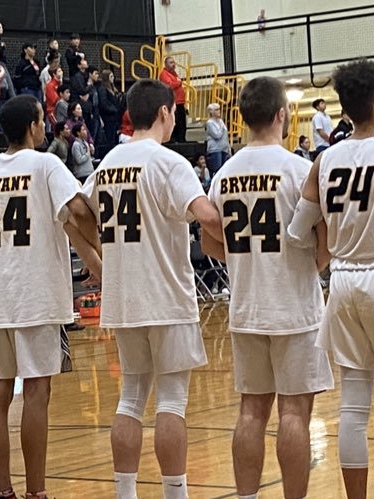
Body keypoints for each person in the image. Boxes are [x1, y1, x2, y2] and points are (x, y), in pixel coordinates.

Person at [0, 96, 101, 499]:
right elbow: (80, 212)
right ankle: (36, 492)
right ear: (33, 126)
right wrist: (100, 239)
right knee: (36, 393)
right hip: (38, 297)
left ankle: (3, 491)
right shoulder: (46, 164)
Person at [82, 80, 223, 499]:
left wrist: (96, 261)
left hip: (124, 299)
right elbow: (206, 218)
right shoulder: (169, 162)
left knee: (130, 398)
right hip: (166, 297)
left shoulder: (106, 163)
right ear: (164, 112)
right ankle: (174, 494)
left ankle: (126, 494)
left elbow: (76, 211)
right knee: (172, 401)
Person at [197, 76, 336, 499]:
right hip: (294, 309)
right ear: (282, 115)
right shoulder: (298, 169)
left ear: (241, 119)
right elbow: (326, 241)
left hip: (246, 309)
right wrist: (306, 266)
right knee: (294, 411)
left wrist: (246, 262)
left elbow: (208, 242)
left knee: (251, 411)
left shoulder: (224, 174)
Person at [205, 104, 228, 175]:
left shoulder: (221, 121)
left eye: (219, 109)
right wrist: (221, 127)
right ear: (212, 112)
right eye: (217, 110)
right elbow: (217, 135)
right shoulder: (209, 123)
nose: (219, 111)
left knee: (224, 170)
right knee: (217, 170)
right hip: (215, 149)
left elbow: (225, 135)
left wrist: (228, 149)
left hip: (224, 148)